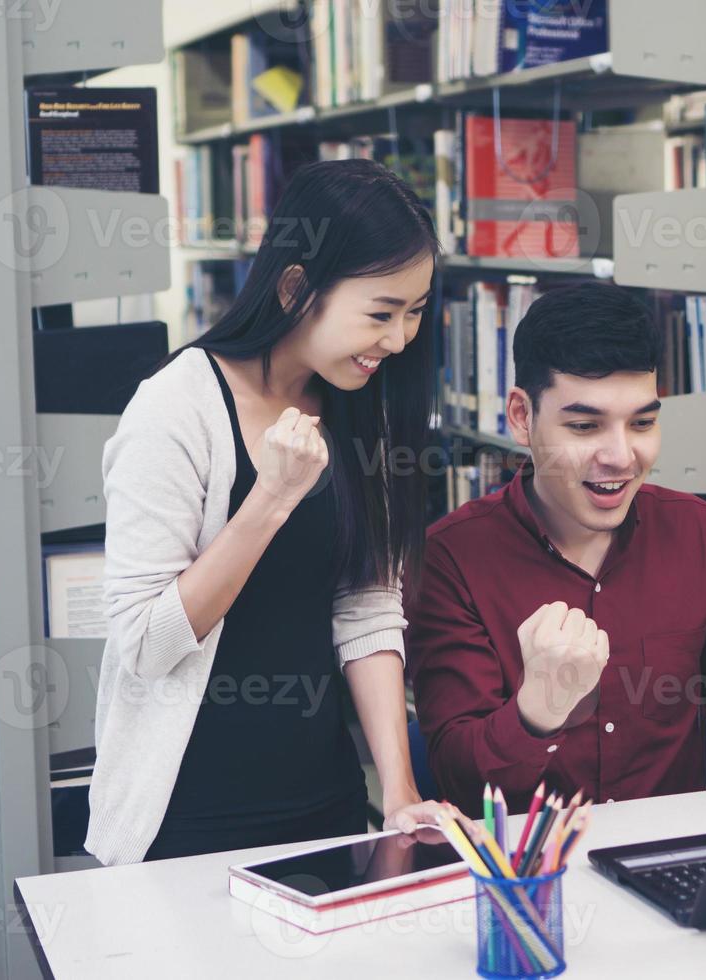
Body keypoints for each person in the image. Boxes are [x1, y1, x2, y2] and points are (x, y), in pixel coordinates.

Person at [86, 160, 443, 865]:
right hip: (186, 821)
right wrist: (272, 497)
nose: (399, 340)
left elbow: (368, 608)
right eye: (380, 313)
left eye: (415, 312)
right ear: (294, 288)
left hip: (328, 804)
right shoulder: (174, 409)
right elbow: (147, 644)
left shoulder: (356, 405)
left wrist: (398, 792)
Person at [407, 282, 706, 814]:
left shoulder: (704, 536)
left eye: (643, 423)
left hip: (662, 862)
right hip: (527, 878)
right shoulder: (451, 559)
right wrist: (536, 710)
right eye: (585, 426)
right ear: (522, 417)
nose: (620, 456)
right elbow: (459, 781)